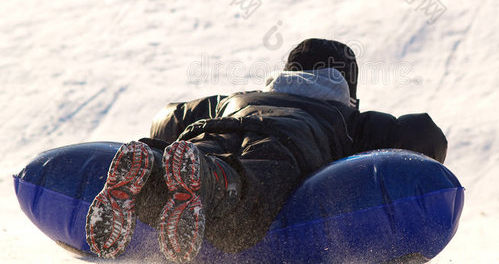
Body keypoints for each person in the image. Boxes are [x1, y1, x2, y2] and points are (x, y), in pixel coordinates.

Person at [85, 38, 448, 263]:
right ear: (348, 88)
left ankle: (150, 171)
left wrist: (164, 133)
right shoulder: (350, 119)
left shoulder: (231, 98)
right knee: (257, 177)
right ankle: (214, 184)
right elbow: (424, 135)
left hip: (215, 126)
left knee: (199, 151)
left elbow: (170, 117)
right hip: (287, 143)